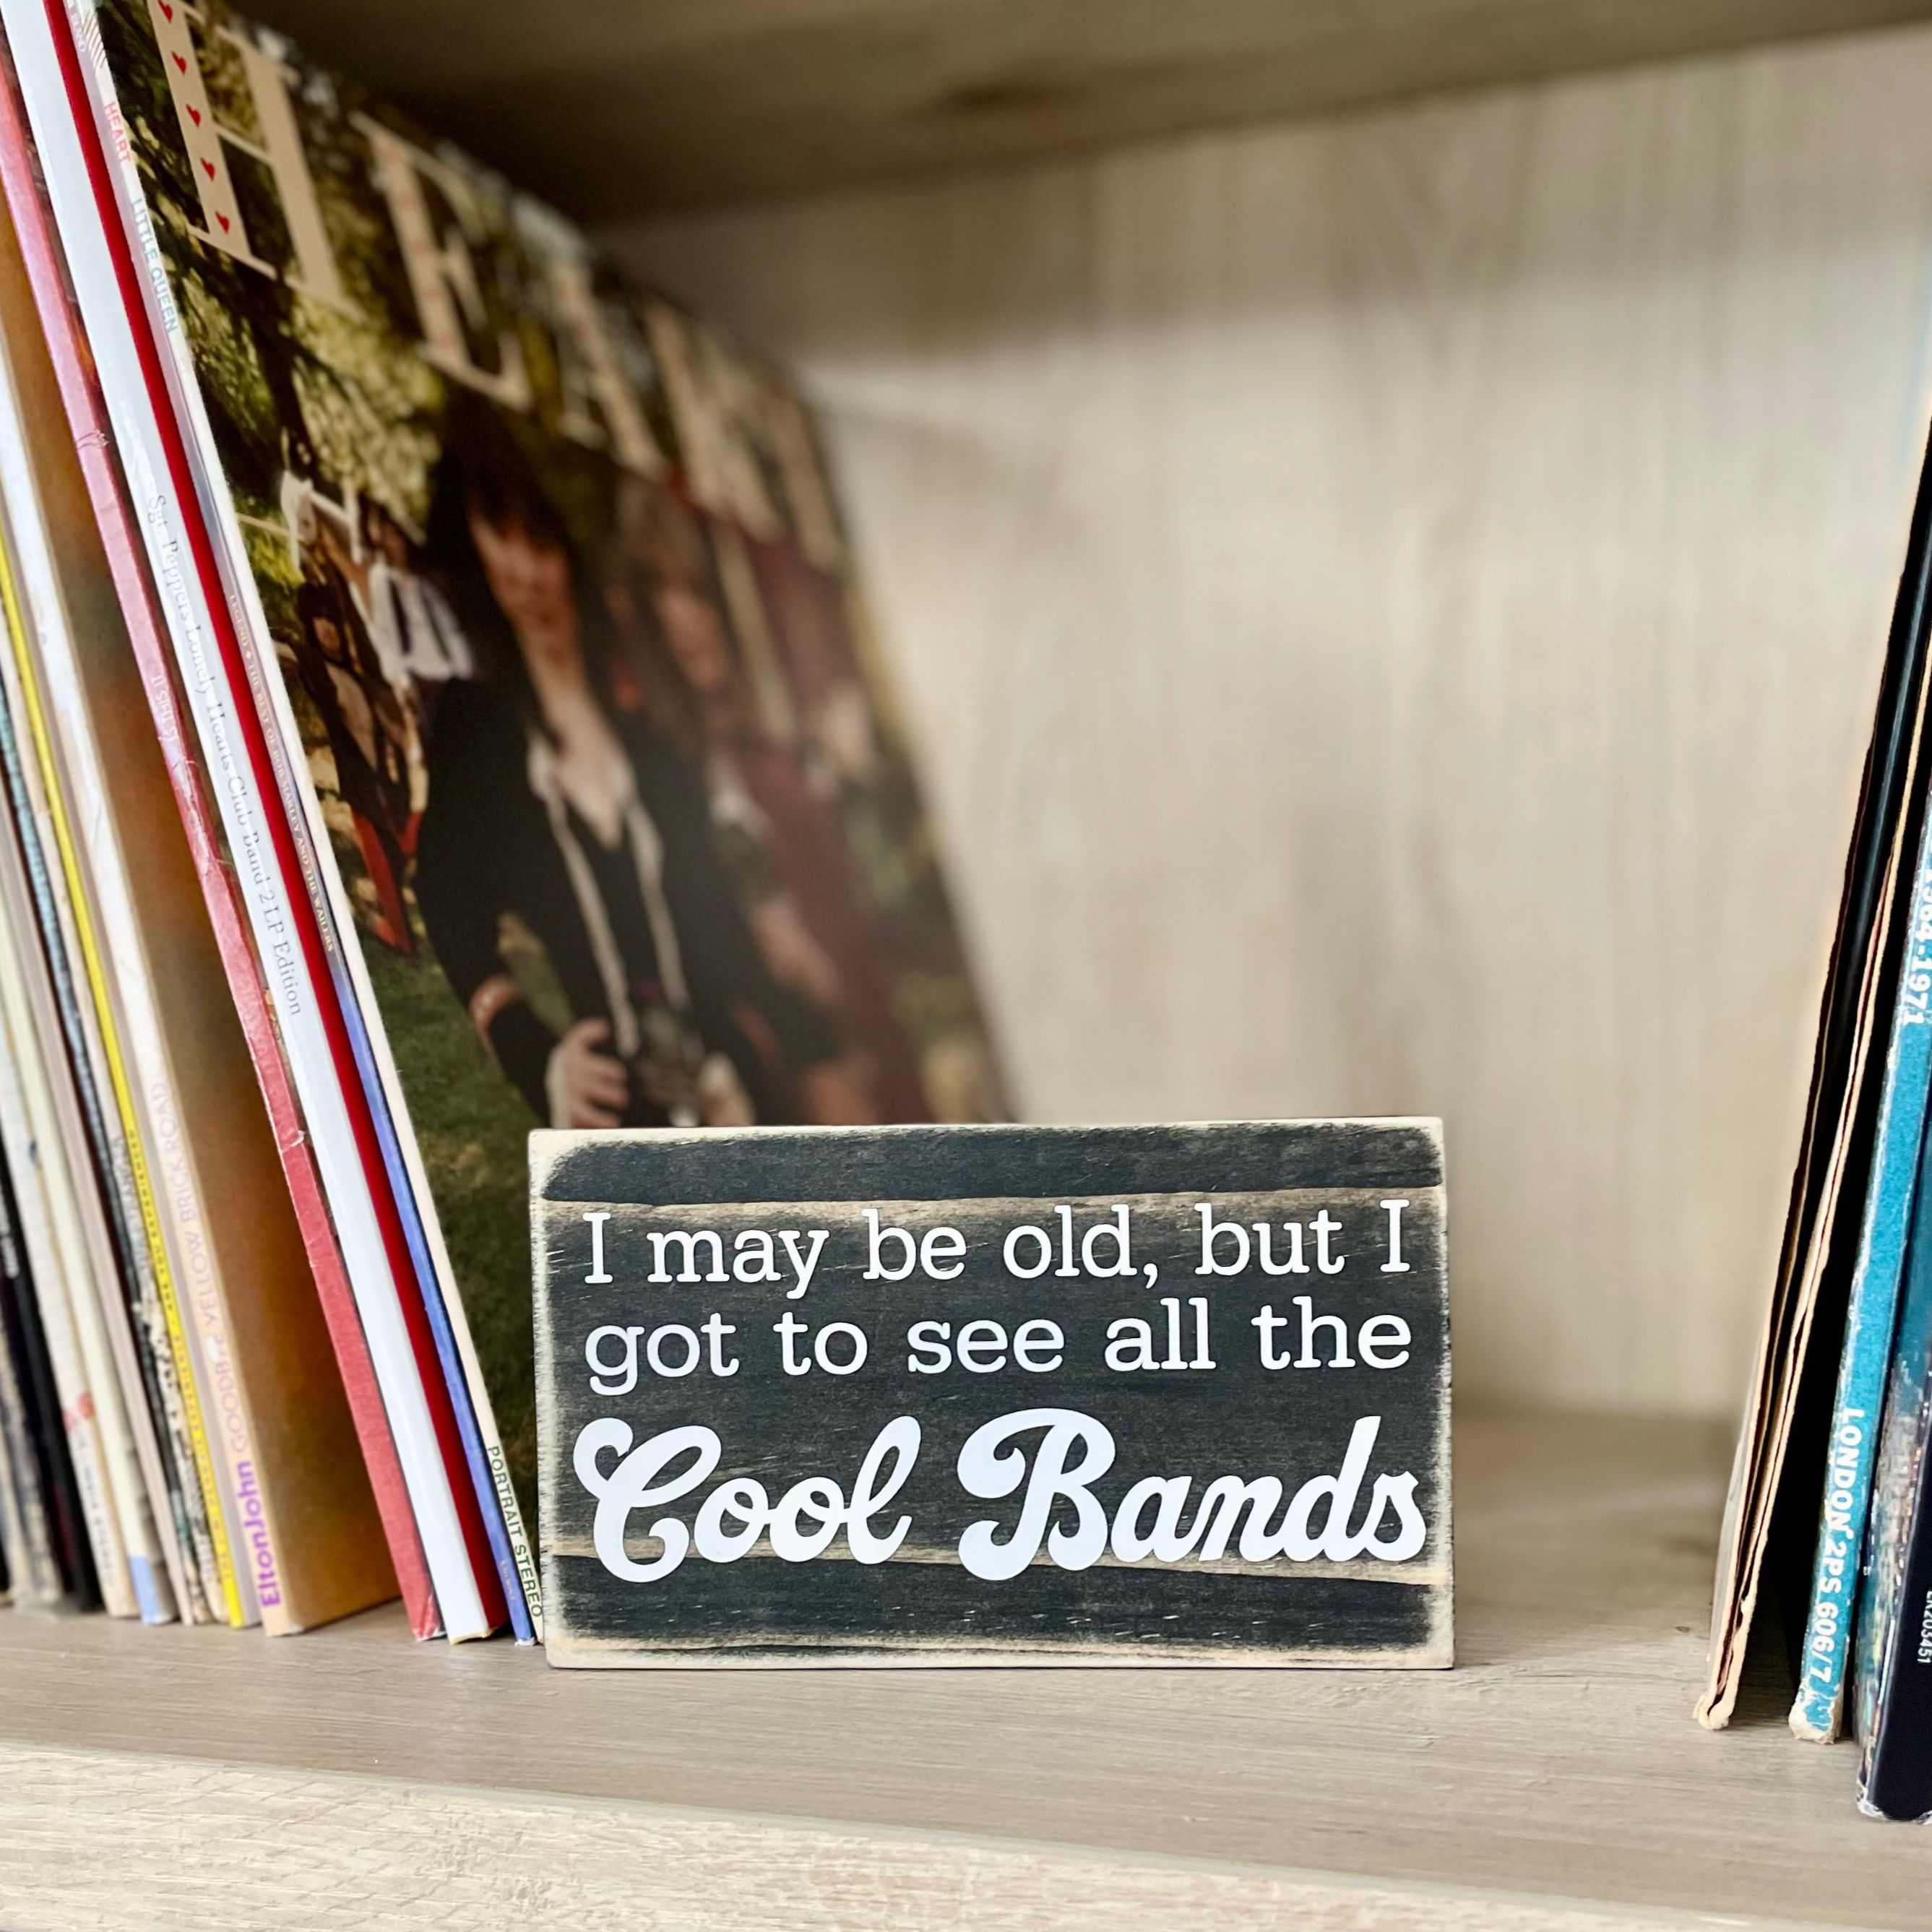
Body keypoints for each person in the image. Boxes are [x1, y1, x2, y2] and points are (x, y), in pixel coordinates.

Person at [411, 400, 869, 1130]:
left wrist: (776, 1062)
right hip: (615, 1133)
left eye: (541, 539)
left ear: (568, 554)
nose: (526, 568)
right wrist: (531, 1049)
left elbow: (720, 934)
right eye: (500, 534)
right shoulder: (483, 736)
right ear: (471, 548)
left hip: (728, 1108)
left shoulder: (652, 751)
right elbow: (447, 895)